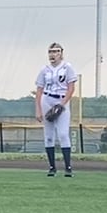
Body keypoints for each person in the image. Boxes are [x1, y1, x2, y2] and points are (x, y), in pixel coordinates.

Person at [33, 42, 79, 176]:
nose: (52, 54)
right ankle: (52, 167)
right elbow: (39, 90)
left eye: (55, 51)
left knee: (63, 134)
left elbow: (71, 88)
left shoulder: (67, 67)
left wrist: (62, 104)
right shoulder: (45, 70)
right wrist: (38, 109)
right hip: (47, 99)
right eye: (50, 52)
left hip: (61, 100)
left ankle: (68, 167)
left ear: (61, 53)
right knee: (48, 136)